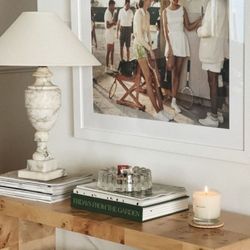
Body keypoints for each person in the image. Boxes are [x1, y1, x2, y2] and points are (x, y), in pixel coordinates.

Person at [133, 0, 172, 122]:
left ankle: (162, 110)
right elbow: (139, 37)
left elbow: (148, 34)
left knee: (155, 80)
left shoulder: (148, 14)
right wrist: (149, 50)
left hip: (147, 47)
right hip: (139, 48)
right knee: (149, 78)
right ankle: (157, 112)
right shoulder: (138, 13)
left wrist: (150, 47)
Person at [163, 0, 201, 113]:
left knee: (177, 73)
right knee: (170, 66)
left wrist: (199, 21)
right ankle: (167, 94)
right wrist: (169, 46)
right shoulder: (165, 12)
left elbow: (188, 27)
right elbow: (165, 31)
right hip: (171, 42)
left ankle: (174, 101)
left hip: (181, 41)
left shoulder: (182, 9)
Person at [197, 0, 228, 127]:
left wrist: (199, 29)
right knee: (218, 81)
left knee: (212, 82)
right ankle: (218, 113)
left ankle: (214, 118)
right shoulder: (224, 3)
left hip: (211, 50)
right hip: (219, 49)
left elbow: (208, 30)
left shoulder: (214, 3)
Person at [104, 0, 117, 72]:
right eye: (113, 6)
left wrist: (114, 22)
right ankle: (106, 68)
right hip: (108, 34)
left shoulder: (112, 12)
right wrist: (114, 23)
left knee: (112, 51)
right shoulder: (107, 13)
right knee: (108, 51)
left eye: (114, 6)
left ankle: (112, 66)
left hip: (112, 33)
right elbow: (107, 26)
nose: (114, 7)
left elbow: (112, 22)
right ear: (110, 5)